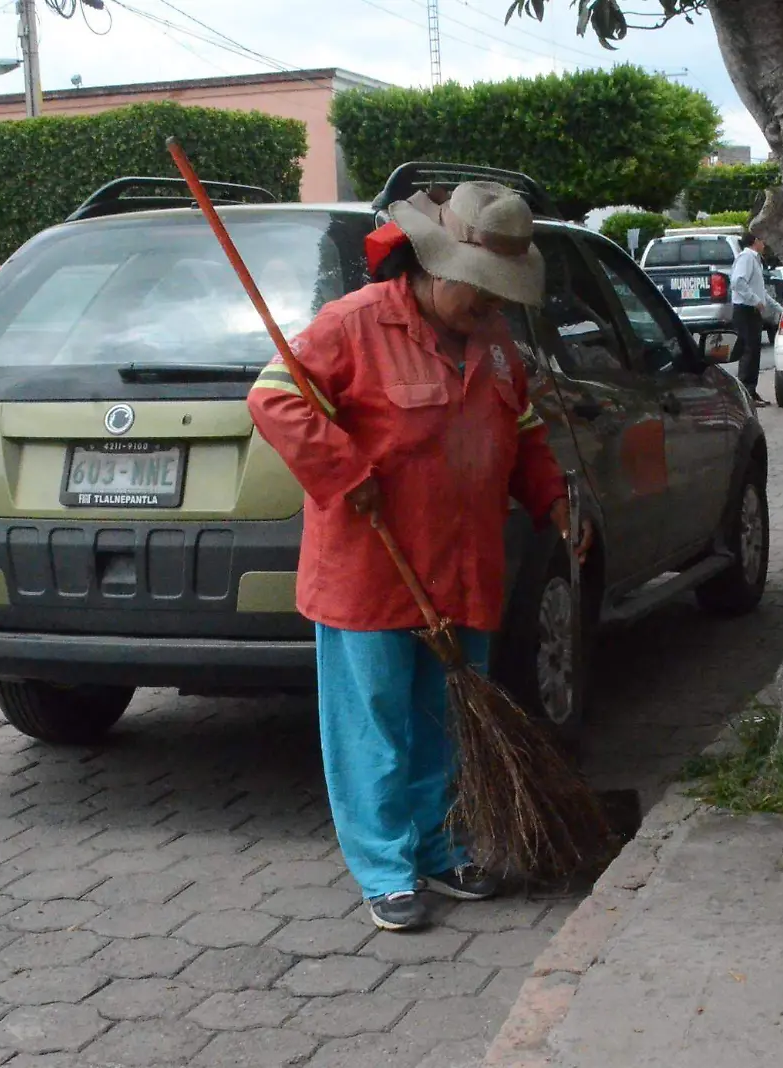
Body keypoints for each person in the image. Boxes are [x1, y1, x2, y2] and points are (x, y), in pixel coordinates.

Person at [247, 182, 593, 932]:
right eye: (480, 292)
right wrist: (344, 472)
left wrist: (552, 501)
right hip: (371, 568)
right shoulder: (352, 326)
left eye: (502, 294)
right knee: (373, 722)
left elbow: (525, 430)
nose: (490, 308)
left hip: (464, 566)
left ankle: (442, 848)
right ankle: (385, 867)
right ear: (437, 268)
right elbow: (275, 400)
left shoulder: (496, 342)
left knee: (446, 717)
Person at [729, 231, 780, 407]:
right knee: (748, 352)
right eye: (762, 240)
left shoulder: (755, 259)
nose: (764, 244)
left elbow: (760, 289)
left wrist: (777, 308)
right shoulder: (746, 258)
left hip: (752, 311)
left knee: (755, 352)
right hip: (745, 310)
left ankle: (751, 390)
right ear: (755, 241)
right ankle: (745, 394)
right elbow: (737, 281)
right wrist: (754, 301)